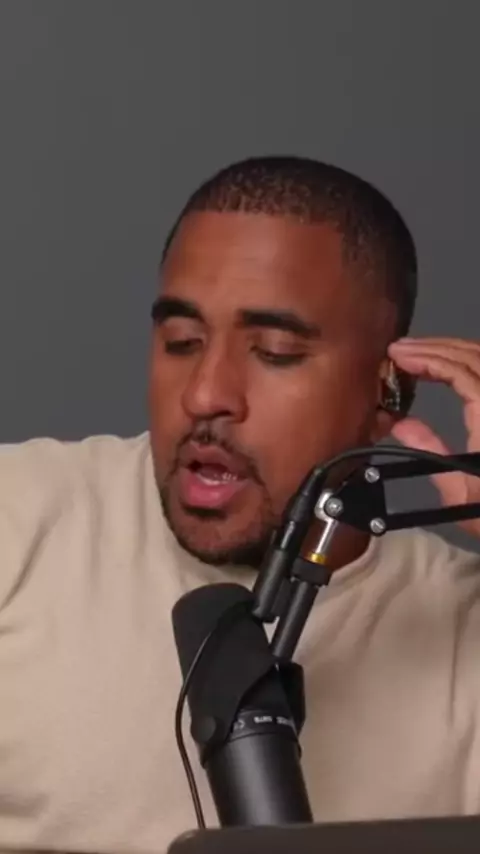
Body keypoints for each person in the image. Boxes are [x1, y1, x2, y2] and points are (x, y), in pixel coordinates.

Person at [1, 155, 480, 854]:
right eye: (181, 343)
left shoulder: (460, 625)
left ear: (390, 391)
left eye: (275, 352)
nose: (205, 394)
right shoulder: (19, 520)